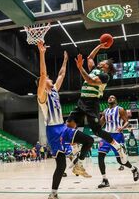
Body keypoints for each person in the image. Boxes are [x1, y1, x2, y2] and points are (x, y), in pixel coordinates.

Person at [36, 41, 94, 199]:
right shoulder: (42, 95)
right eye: (47, 78)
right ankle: (53, 193)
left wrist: (65, 61)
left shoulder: (54, 90)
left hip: (62, 127)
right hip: (53, 130)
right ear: (42, 84)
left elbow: (61, 74)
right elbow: (42, 75)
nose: (49, 78)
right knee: (60, 166)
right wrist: (42, 53)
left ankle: (77, 164)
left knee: (88, 140)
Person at [66, 43, 127, 167]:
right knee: (69, 124)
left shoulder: (105, 76)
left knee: (97, 131)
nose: (100, 61)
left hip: (92, 103)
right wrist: (100, 46)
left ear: (107, 67)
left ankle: (117, 146)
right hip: (82, 100)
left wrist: (80, 68)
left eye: (103, 61)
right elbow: (89, 58)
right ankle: (75, 150)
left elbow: (91, 81)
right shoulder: (94, 70)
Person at [98, 95, 139, 188]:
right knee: (100, 155)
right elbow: (101, 123)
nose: (110, 98)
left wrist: (122, 127)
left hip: (117, 135)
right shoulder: (105, 111)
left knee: (120, 160)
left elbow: (127, 121)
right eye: (109, 97)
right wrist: (96, 123)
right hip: (106, 135)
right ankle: (105, 180)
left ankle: (134, 169)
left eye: (112, 97)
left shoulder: (120, 109)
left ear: (115, 100)